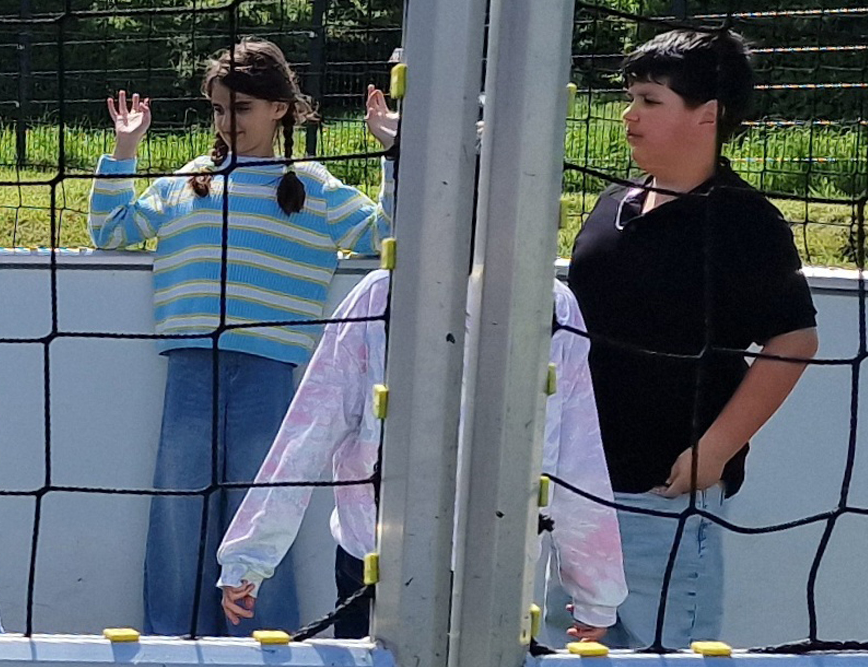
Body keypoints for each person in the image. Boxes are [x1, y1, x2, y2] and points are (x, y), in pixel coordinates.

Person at [91, 40, 390, 636]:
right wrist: (126, 151)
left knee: (262, 514)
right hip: (192, 364)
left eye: (243, 108)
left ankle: (262, 644)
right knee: (180, 512)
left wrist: (393, 151)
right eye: (220, 110)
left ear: (280, 108)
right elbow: (110, 232)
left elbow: (387, 236)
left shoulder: (313, 185)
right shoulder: (188, 181)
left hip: (270, 369)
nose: (229, 122)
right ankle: (172, 640)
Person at [561, 26, 822, 650]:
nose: (629, 114)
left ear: (709, 115)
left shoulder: (743, 222)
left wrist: (716, 450)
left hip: (663, 504)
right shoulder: (608, 207)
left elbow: (794, 339)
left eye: (650, 100)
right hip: (573, 496)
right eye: (630, 97)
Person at [209, 268, 625, 642]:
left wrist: (597, 592)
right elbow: (309, 430)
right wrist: (249, 555)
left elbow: (576, 455)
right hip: (380, 568)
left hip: (490, 572)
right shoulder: (382, 296)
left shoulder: (553, 307)